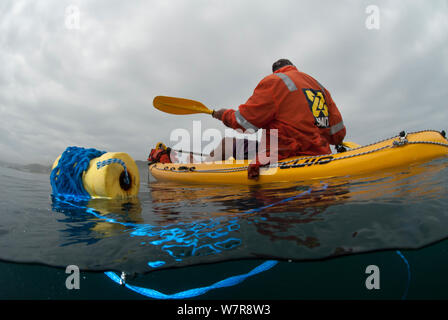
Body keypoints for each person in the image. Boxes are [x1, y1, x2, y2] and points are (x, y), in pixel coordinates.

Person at [211, 58, 346, 179]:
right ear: (294, 67)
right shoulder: (319, 87)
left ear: (275, 71)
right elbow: (337, 136)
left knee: (226, 143)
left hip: (284, 154)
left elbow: (244, 123)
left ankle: (195, 168)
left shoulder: (274, 81)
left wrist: (223, 115)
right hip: (320, 154)